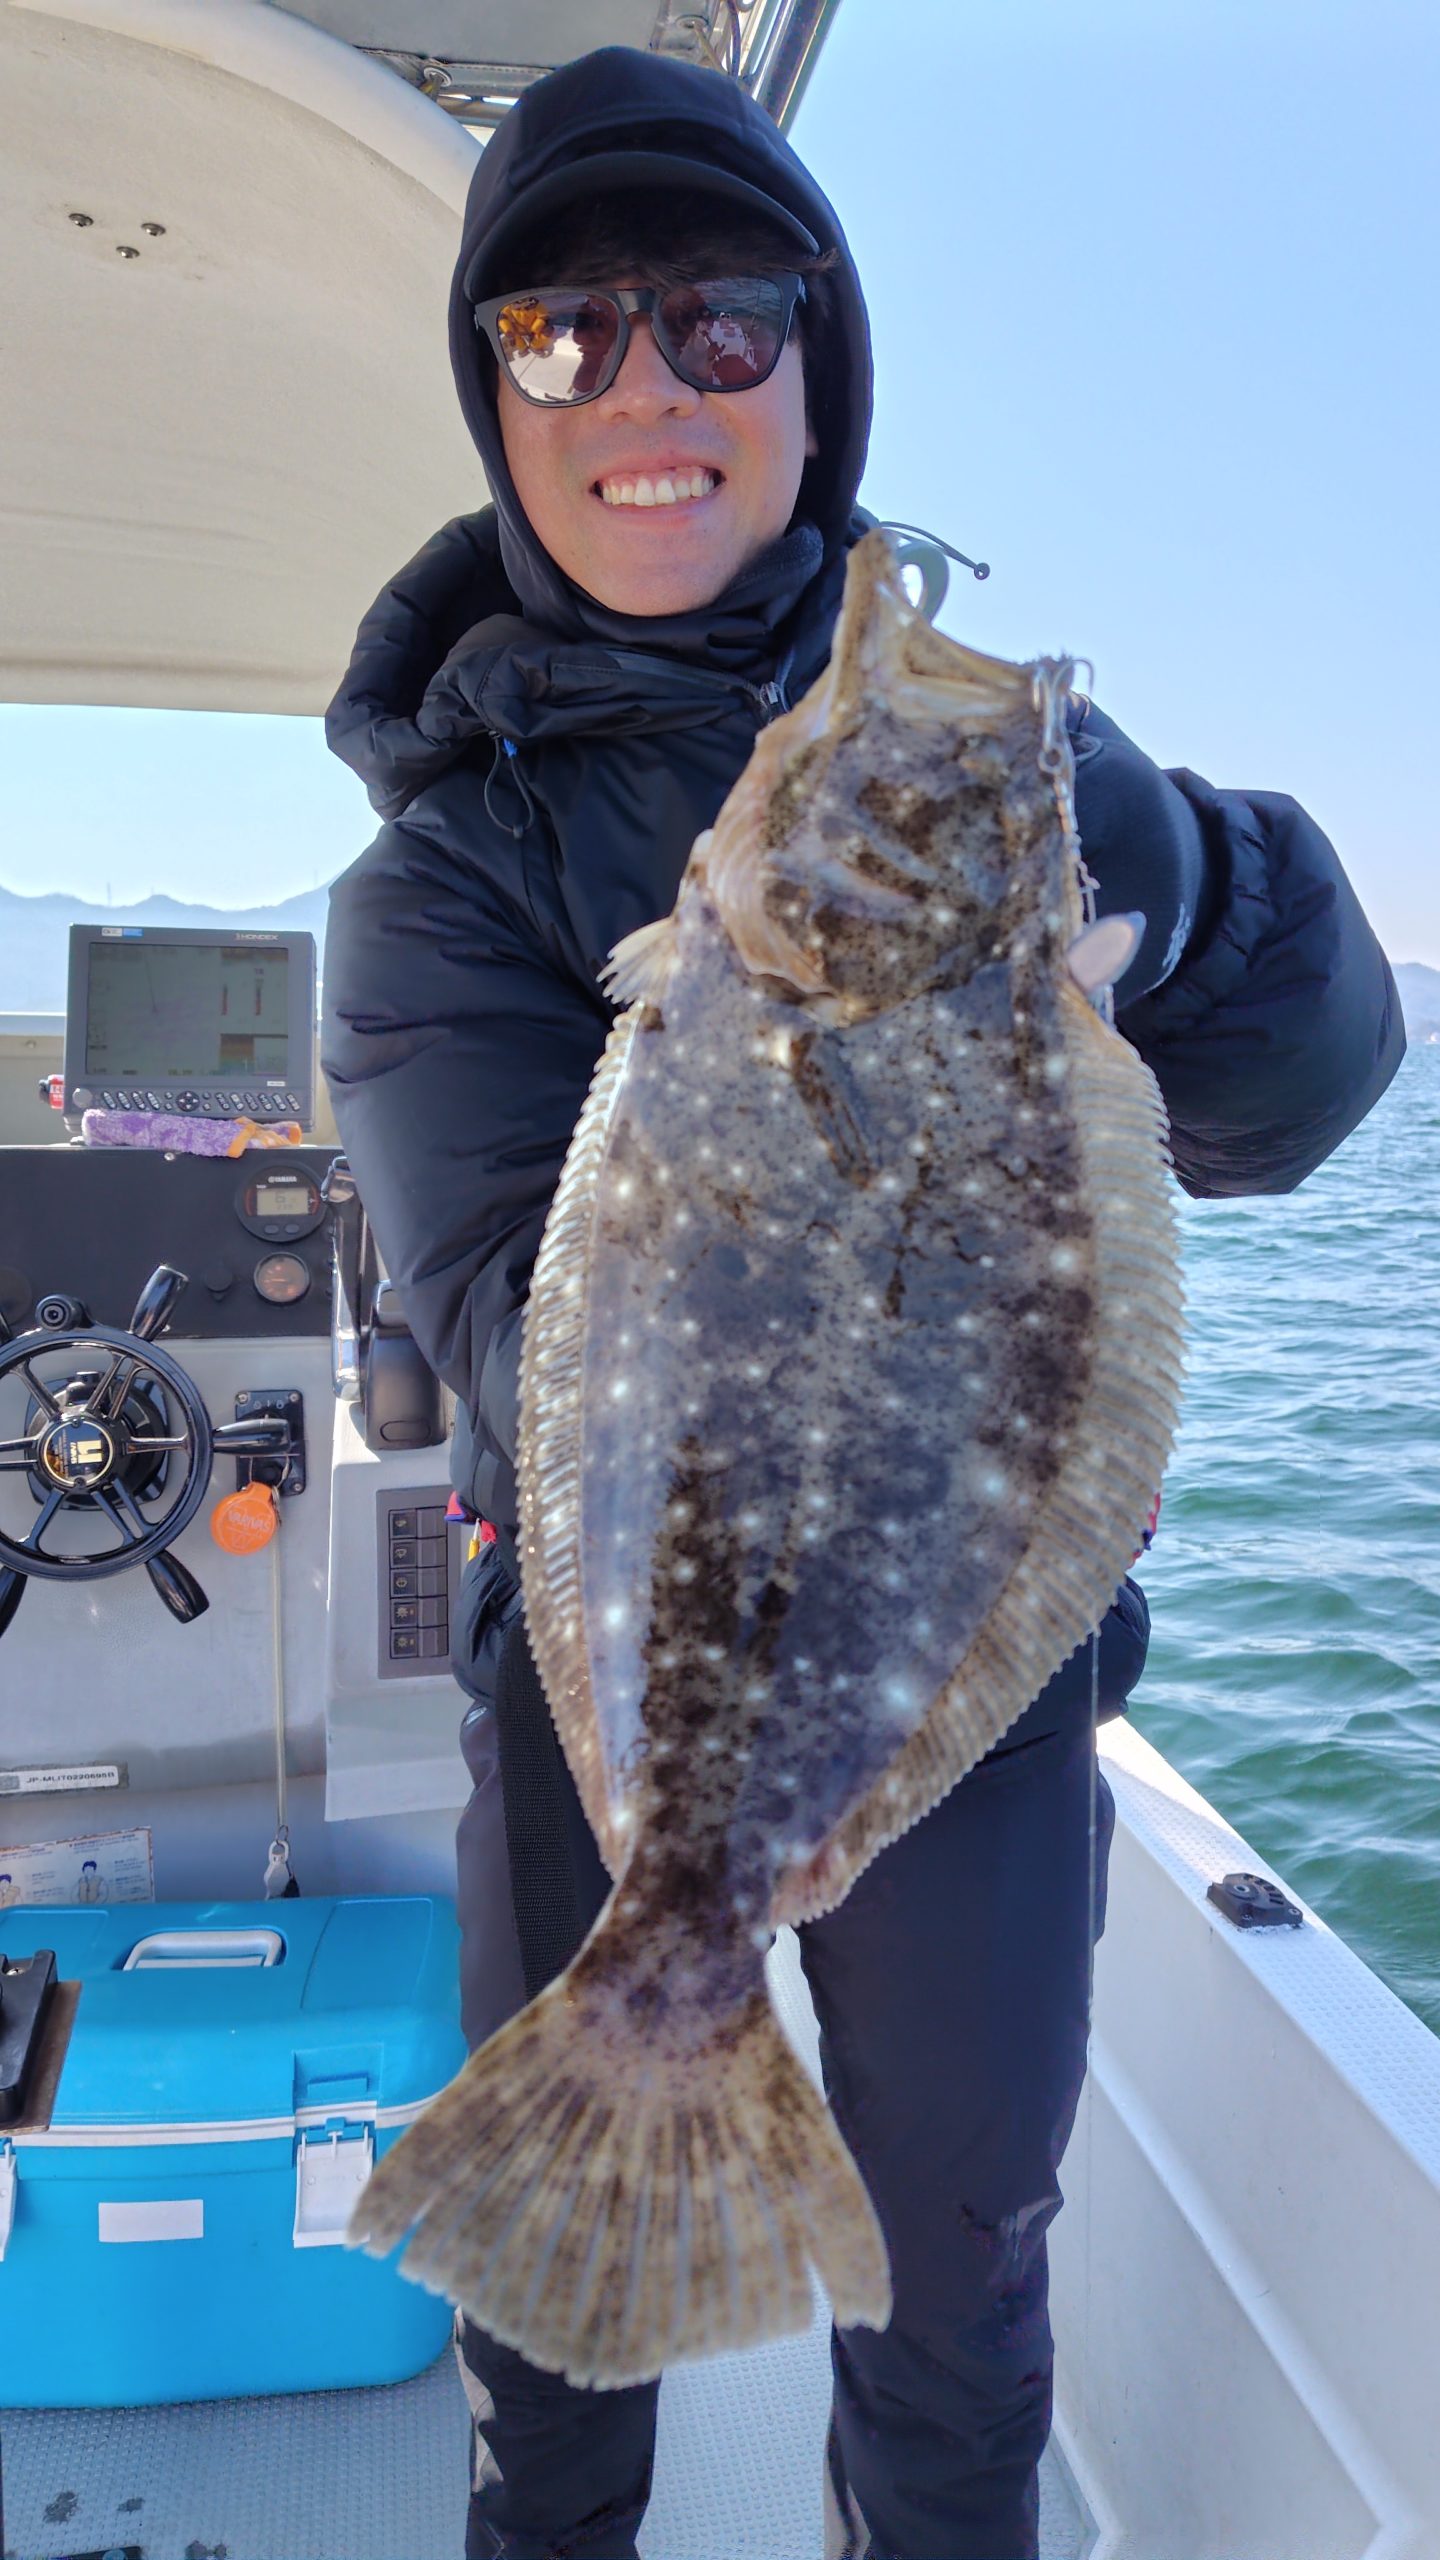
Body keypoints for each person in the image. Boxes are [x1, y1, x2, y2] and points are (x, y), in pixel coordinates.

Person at [321, 44, 1405, 2560]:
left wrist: (1202, 883)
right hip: (601, 1677)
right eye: (564, 335)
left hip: (975, 1680)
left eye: (718, 319)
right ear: (499, 400)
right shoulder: (438, 887)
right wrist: (777, 1091)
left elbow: (1289, 1104)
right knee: (543, 2322)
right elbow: (514, 1329)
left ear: (819, 372)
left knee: (962, 2277)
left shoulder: (1006, 791)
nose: (645, 387)